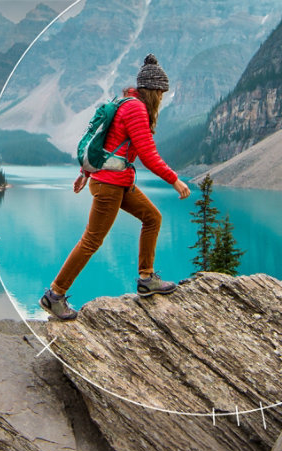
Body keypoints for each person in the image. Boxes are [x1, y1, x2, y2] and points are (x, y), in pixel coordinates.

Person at [39, 54, 191, 321]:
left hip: (118, 183)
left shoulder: (124, 102)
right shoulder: (136, 109)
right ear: (154, 91)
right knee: (91, 241)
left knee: (152, 217)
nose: (163, 98)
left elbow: (106, 143)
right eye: (162, 93)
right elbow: (147, 154)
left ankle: (146, 279)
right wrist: (174, 180)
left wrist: (85, 173)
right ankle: (54, 295)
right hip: (110, 186)